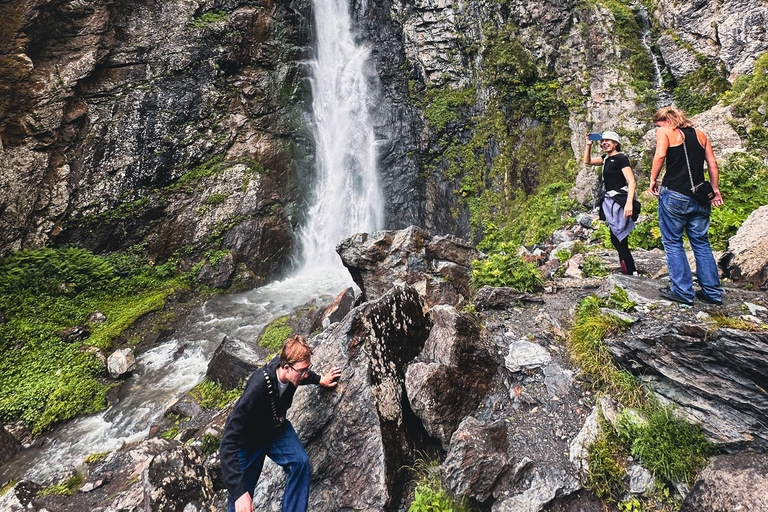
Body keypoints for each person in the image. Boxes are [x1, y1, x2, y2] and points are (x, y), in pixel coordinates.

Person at [219, 334, 341, 512]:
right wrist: (239, 493)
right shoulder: (257, 389)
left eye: (307, 369)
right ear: (285, 367)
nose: (305, 374)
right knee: (241, 504)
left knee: (300, 463)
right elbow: (227, 443)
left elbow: (303, 375)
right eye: (302, 371)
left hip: (276, 431)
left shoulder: (292, 371)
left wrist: (319, 379)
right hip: (249, 443)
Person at [647, 106, 724, 305]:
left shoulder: (665, 132)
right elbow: (712, 163)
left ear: (667, 121)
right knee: (701, 243)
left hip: (675, 194)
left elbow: (660, 156)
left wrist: (652, 180)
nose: (658, 127)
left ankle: (682, 291)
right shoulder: (700, 134)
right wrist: (715, 190)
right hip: (701, 196)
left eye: (659, 123)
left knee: (673, 242)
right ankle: (712, 293)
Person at [584, 130, 639, 275]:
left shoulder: (621, 158)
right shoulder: (605, 159)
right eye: (602, 141)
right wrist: (588, 145)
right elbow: (587, 161)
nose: (604, 143)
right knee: (616, 238)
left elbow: (631, 181)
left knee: (619, 237)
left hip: (619, 201)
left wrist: (629, 203)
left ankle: (631, 272)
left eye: (608, 140)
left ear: (616, 143)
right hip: (610, 201)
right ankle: (628, 271)